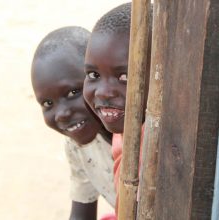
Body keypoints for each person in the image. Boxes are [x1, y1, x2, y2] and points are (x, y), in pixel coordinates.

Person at [31, 26, 116, 220]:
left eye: (72, 93)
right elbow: (82, 214)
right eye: (47, 103)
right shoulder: (77, 147)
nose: (62, 114)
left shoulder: (142, 134)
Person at [83, 3, 152, 216]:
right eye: (93, 75)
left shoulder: (151, 156)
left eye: (125, 77)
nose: (103, 92)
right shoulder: (126, 128)